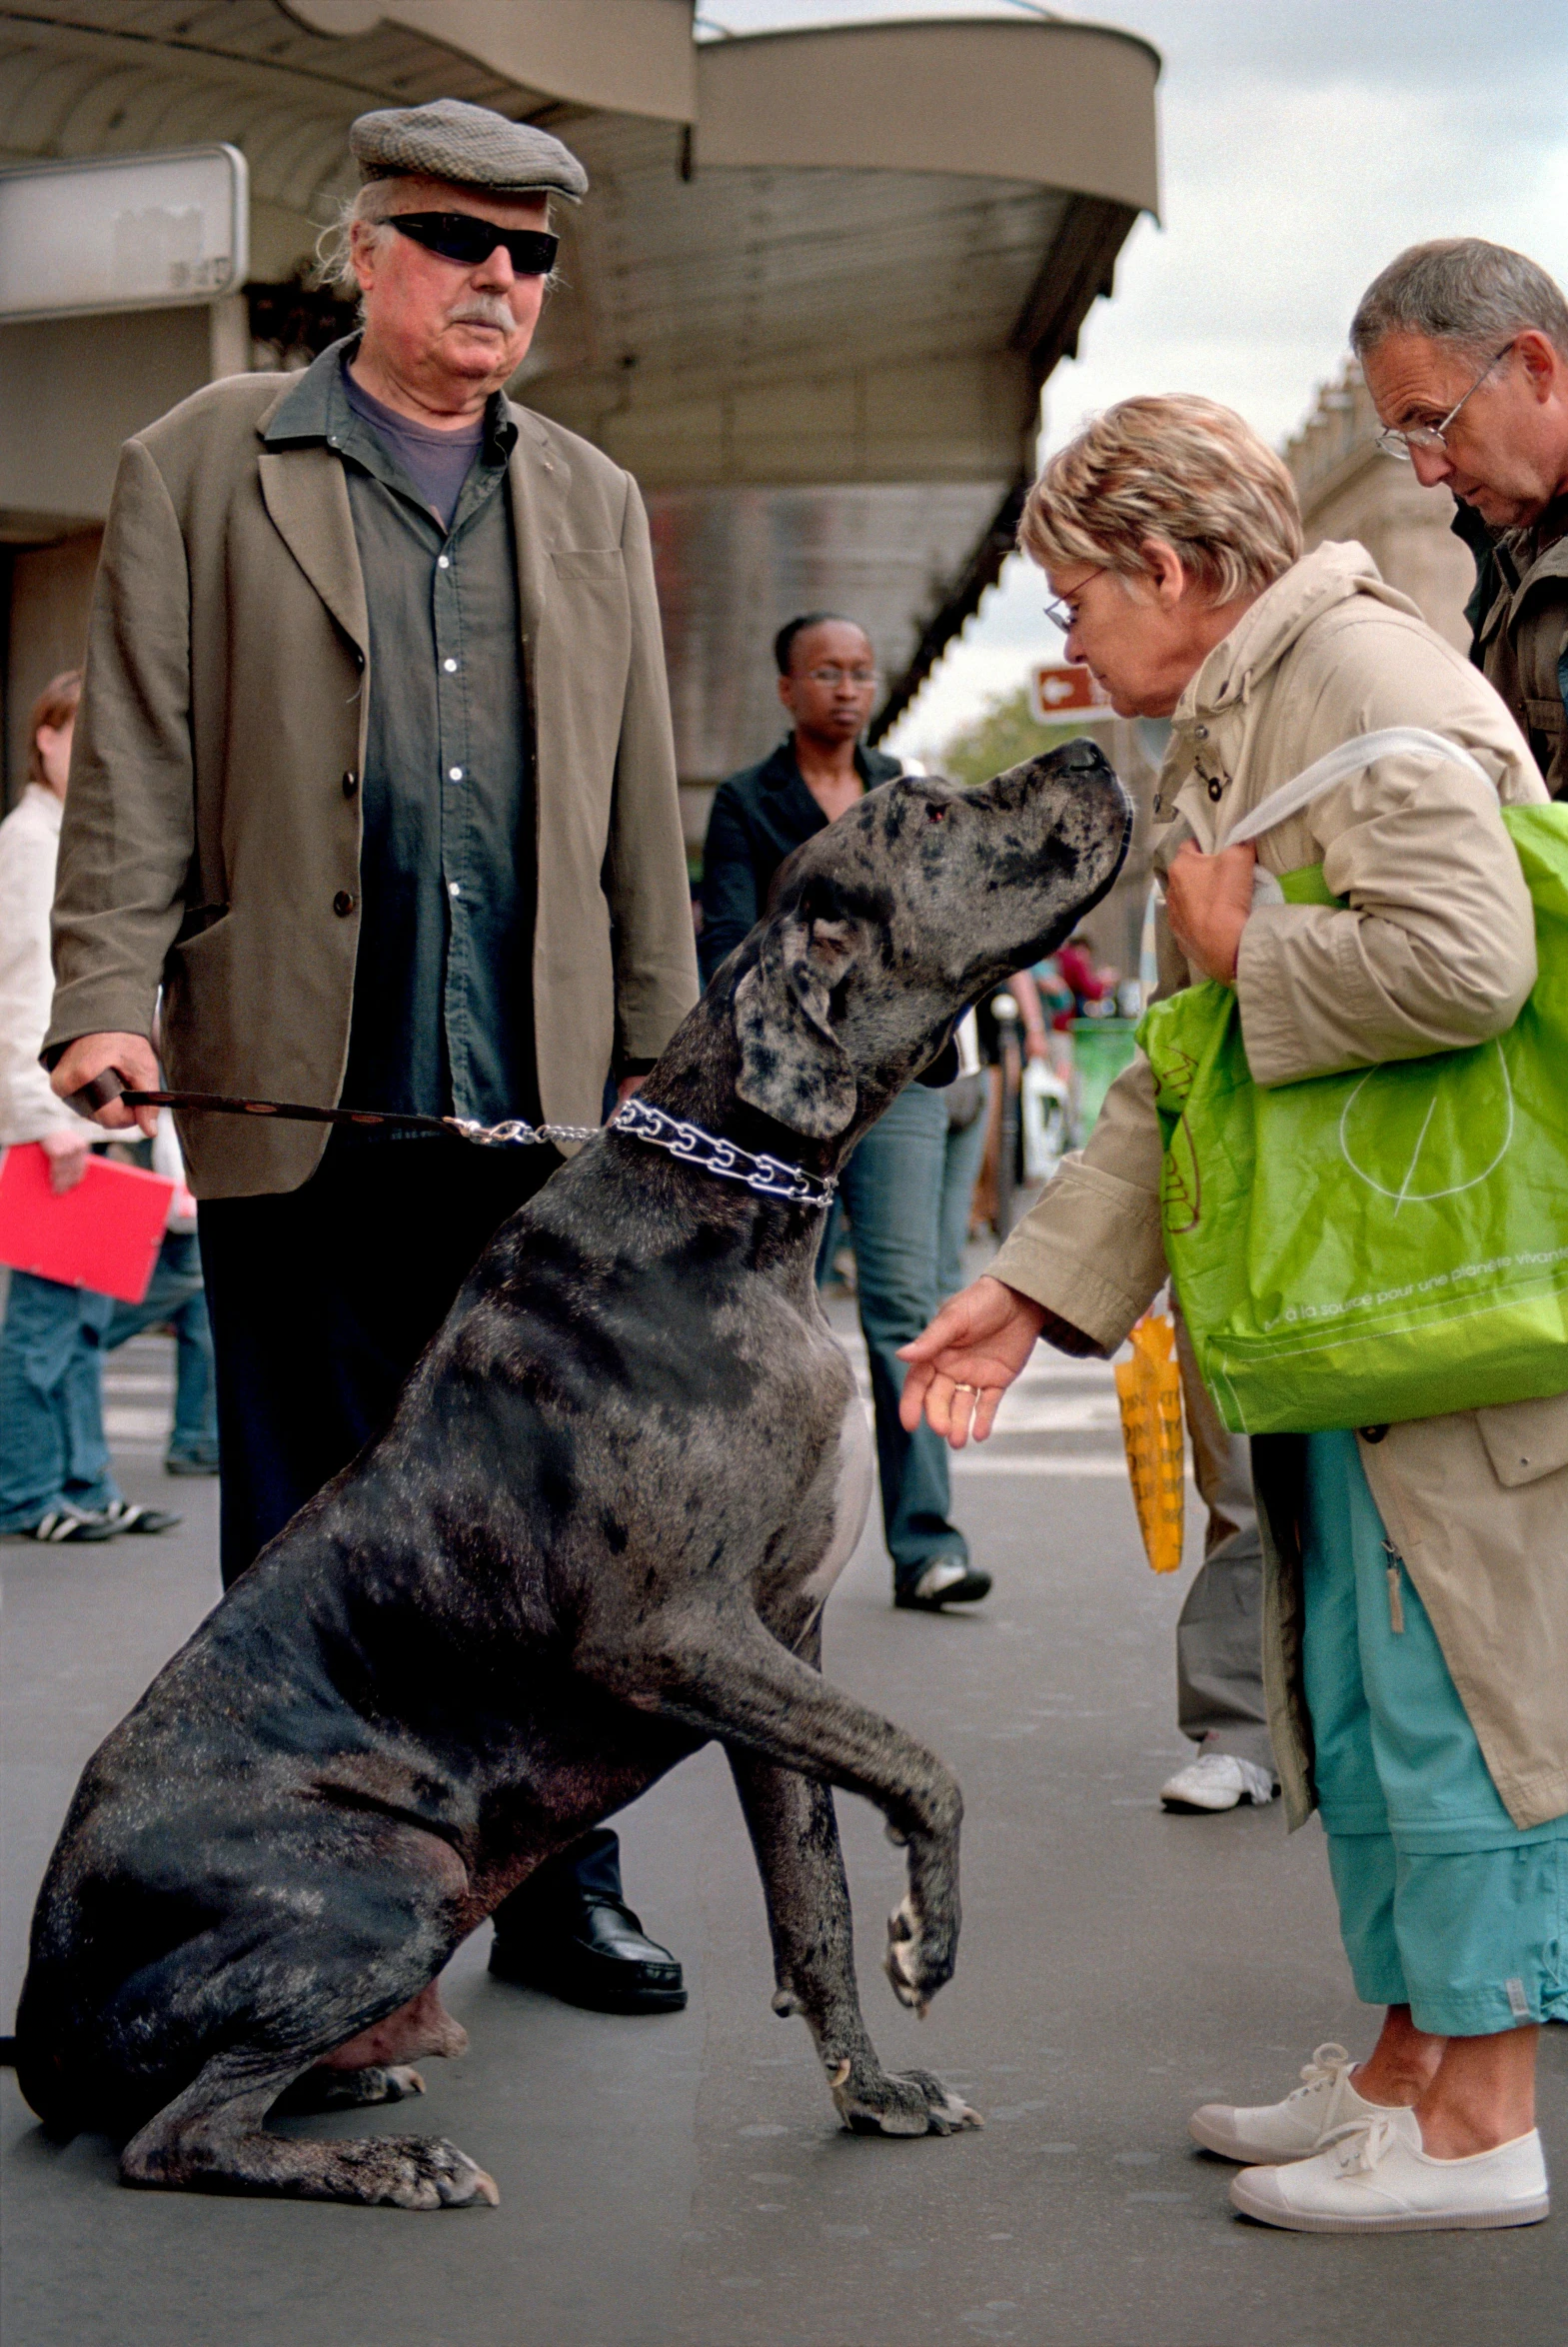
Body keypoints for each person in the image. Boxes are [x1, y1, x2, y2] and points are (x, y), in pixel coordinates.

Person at [45, 99, 698, 2016]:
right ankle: (311, 1898)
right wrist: (104, 987)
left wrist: (668, 1070)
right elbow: (143, 753)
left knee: (557, 1526)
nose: (499, 279)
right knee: (306, 1531)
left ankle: (555, 1878)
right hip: (296, 1089)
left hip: (541, 1108)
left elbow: (635, 818)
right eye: (457, 241)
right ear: (364, 251)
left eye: (532, 255)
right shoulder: (200, 459)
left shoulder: (585, 495)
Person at [900, 394, 1565, 2233]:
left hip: (1438, 1314)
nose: (1065, 639)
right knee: (1366, 1696)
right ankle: (1403, 2066)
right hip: (1372, 1309)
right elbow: (1189, 1070)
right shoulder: (1267, 696)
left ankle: (1476, 2124)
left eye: (1071, 597)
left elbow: (1461, 957)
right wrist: (1031, 1291)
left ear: (1177, 571)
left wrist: (1234, 946)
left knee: (1451, 1696)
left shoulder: (1352, 682)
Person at [701, 613, 987, 1611]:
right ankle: (759, 1553)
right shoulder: (746, 801)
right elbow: (735, 938)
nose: (847, 688)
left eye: (861, 671)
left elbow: (946, 927)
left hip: (901, 1085)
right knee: (780, 1320)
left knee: (907, 1310)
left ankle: (929, 1542)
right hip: (792, 1093)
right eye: (827, 671)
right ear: (787, 686)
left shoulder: (911, 796)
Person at [0, 671, 179, 1542]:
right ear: (45, 736)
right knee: (43, 1323)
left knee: (83, 1318)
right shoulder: (27, 845)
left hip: (81, 1119)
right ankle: (30, 1494)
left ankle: (84, 1481)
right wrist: (41, 1115)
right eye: (79, 735)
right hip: (49, 1122)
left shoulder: (70, 841)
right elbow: (18, 998)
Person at [1352, 239, 1568, 797]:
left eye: (1433, 421)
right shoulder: (1510, 543)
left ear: (1535, 366)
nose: (1427, 471)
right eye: (1405, 438)